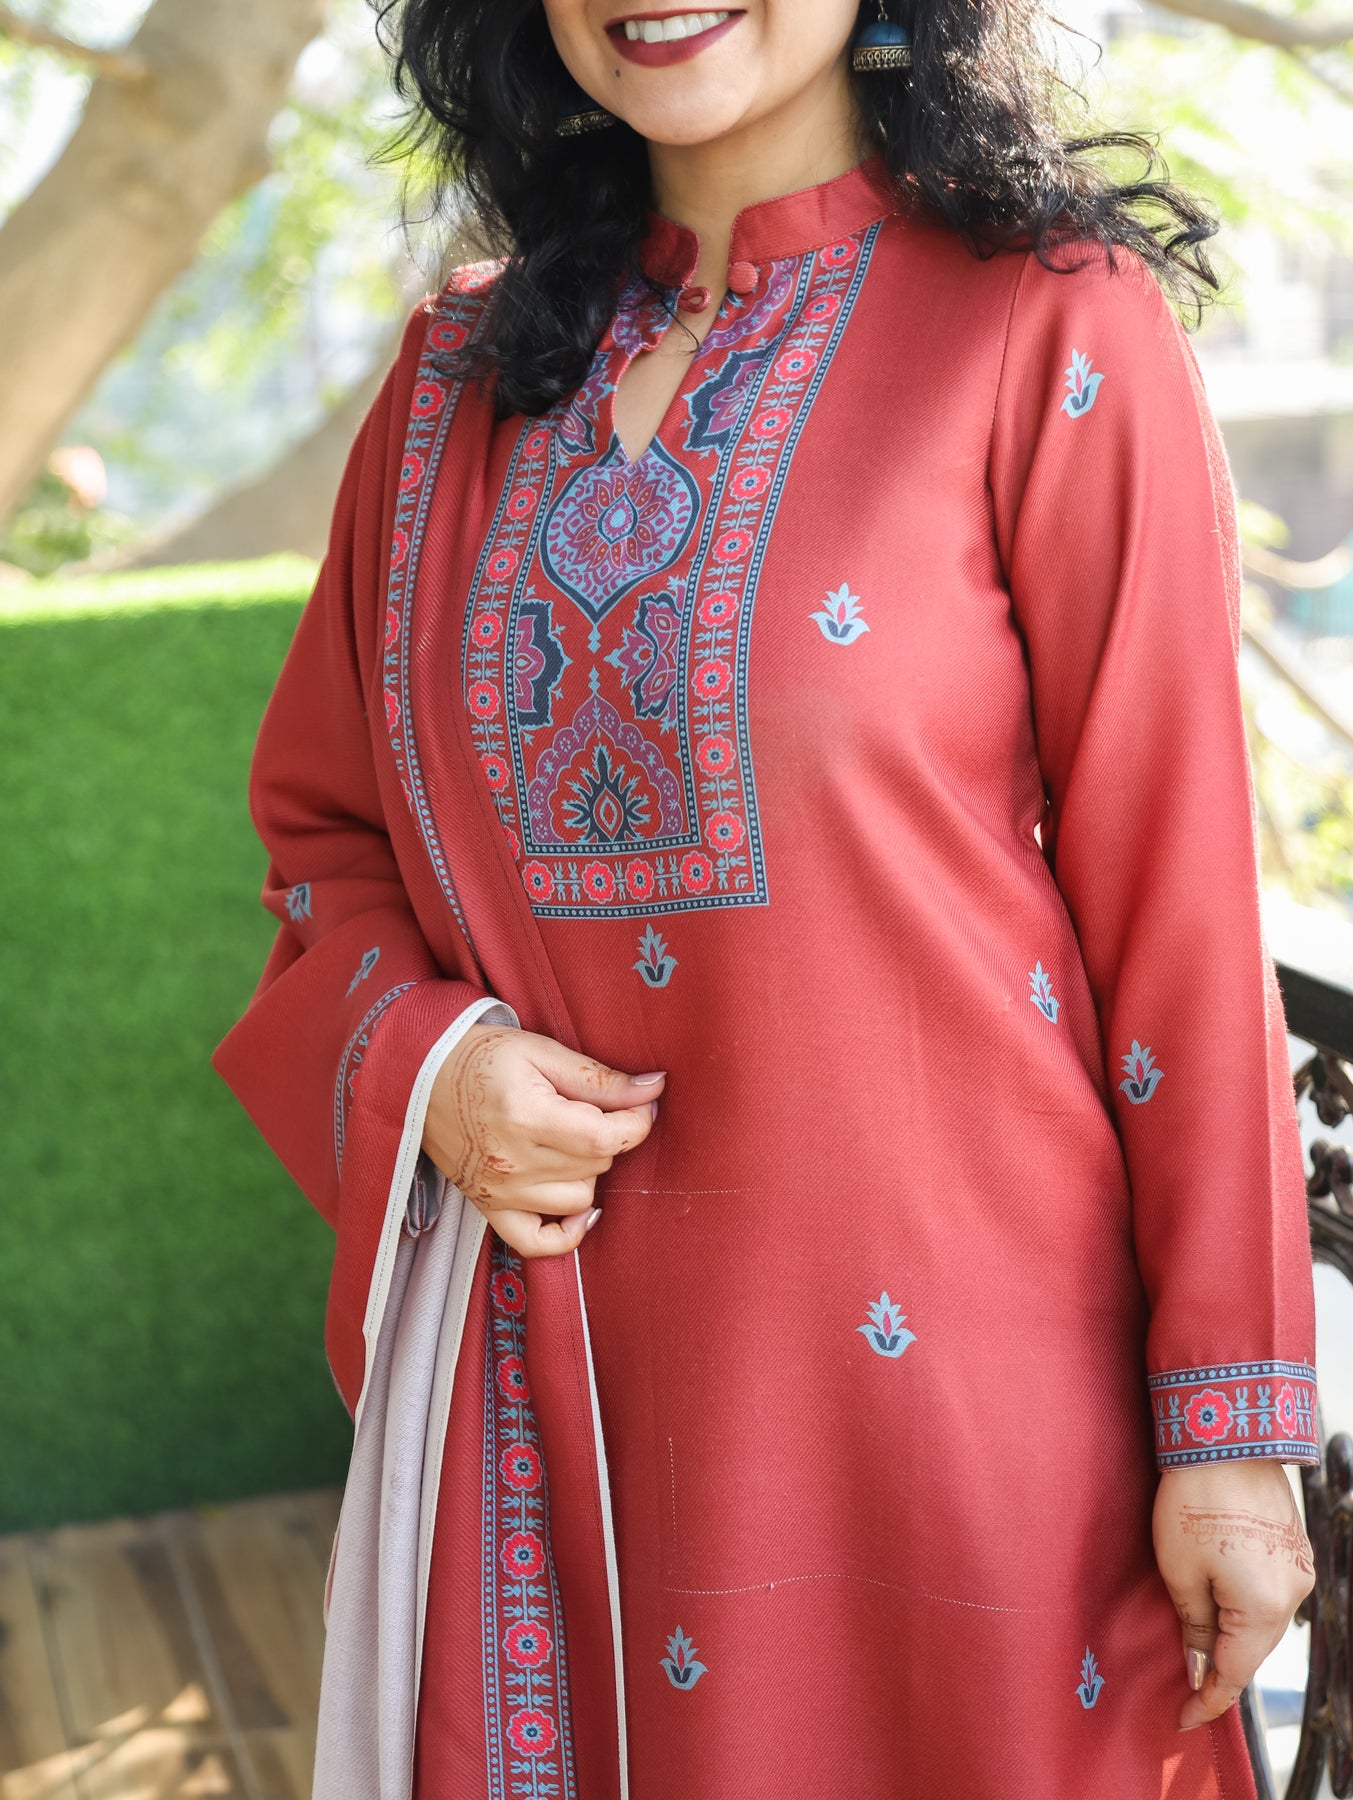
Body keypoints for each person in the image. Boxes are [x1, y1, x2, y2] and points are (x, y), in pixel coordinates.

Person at [212, 0, 1324, 1794]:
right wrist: (433, 1065)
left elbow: (1176, 912)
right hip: (565, 1407)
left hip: (976, 1412)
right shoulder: (450, 389)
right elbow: (321, 845)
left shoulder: (1049, 324)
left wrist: (1228, 1427)